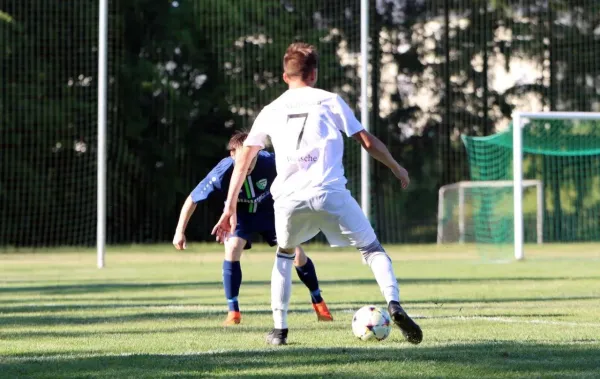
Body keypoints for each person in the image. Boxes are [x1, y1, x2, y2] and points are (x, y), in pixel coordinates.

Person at [212, 42, 423, 346]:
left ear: (285, 76)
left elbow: (244, 160)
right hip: (329, 191)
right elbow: (367, 141)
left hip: (288, 198)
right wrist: (395, 166)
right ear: (313, 74)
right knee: (372, 249)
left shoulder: (270, 110)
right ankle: (394, 303)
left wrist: (229, 206)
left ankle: (280, 329)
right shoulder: (329, 100)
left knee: (284, 254)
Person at [174, 131, 333, 326]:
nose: (248, 162)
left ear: (259, 152)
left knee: (297, 255)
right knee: (232, 248)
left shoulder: (272, 163)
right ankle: (233, 312)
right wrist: (179, 231)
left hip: (271, 211)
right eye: (243, 157)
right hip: (240, 215)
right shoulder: (221, 172)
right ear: (232, 154)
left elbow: (300, 175)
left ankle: (318, 300)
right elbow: (192, 199)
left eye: (253, 156)